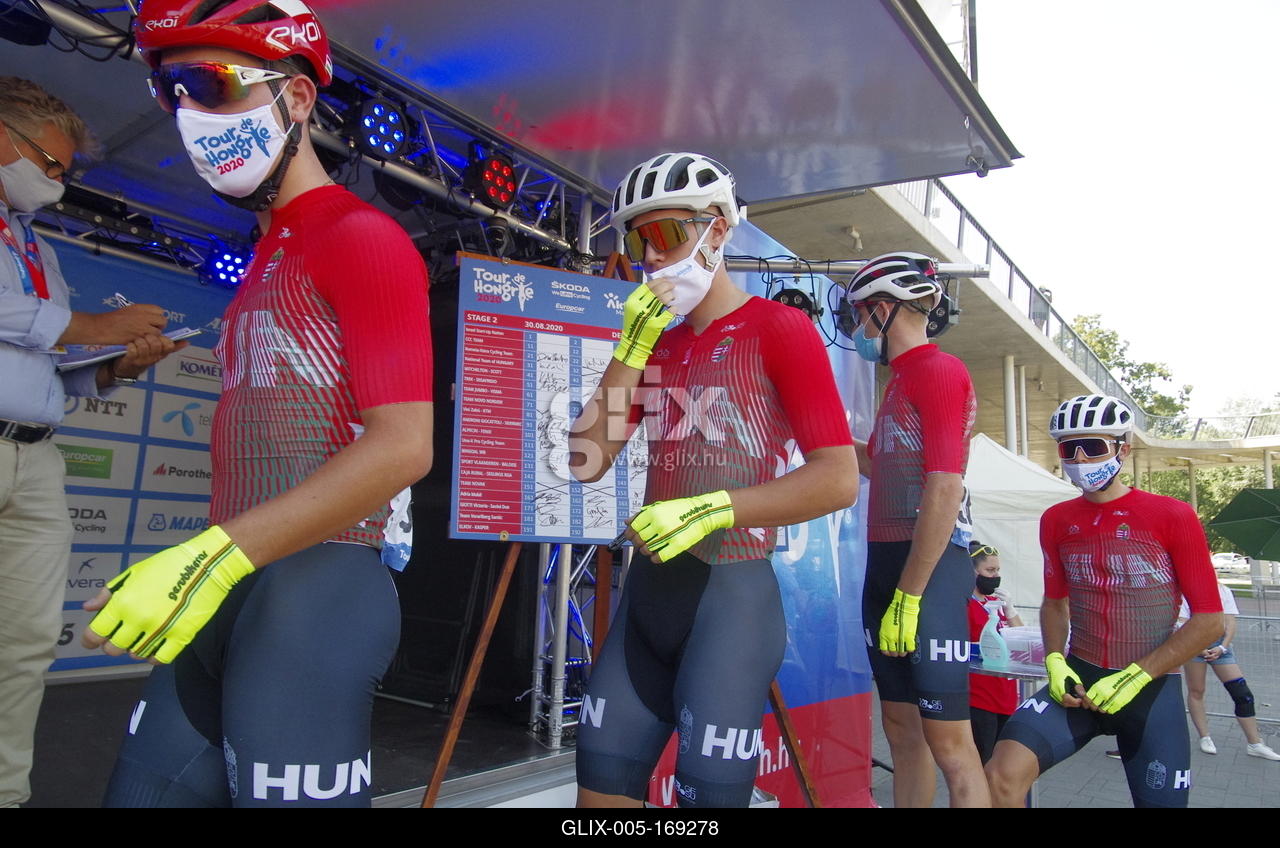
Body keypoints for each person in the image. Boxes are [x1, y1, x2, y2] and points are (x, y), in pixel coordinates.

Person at [81, 1, 435, 807]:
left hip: (317, 588)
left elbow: (404, 445)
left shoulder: (361, 235)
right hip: (230, 578)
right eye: (173, 91)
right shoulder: (268, 254)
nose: (191, 113)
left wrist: (211, 557)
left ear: (298, 98)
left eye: (214, 83)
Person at [568, 152, 858, 808]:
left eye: (664, 233)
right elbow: (586, 459)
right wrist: (630, 349)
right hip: (648, 602)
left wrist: (712, 508)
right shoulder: (659, 346)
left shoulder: (778, 329)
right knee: (599, 797)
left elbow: (837, 478)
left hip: (731, 602)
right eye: (635, 241)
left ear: (718, 230)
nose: (649, 256)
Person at [0, 77, 183, 808]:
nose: (57, 180)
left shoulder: (36, 247)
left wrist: (113, 365)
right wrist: (95, 327)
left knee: (25, 644)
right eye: (49, 163)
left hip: (36, 455)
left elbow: (48, 360)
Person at [985, 395, 1223, 808]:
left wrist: (1136, 676)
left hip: (1150, 690)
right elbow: (1054, 603)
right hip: (1079, 681)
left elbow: (1209, 620)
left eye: (1093, 447)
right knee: (999, 777)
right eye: (1069, 449)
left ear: (1123, 449)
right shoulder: (1056, 519)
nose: (1080, 458)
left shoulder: (1173, 515)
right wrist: (1054, 661)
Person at [850, 251, 988, 807]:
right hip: (887, 564)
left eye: (859, 315)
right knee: (902, 732)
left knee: (950, 744)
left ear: (883, 310)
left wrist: (909, 595)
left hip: (926, 570)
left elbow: (945, 487)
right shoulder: (900, 381)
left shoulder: (939, 370)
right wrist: (825, 436)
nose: (857, 329)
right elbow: (883, 466)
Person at [1179, 582, 1280, 760]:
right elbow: (1182, 622)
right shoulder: (1184, 591)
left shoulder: (1223, 590)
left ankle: (1254, 744)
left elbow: (1230, 622)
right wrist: (1199, 648)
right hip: (1193, 644)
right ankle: (1205, 737)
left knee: (1242, 693)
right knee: (1197, 690)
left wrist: (1223, 647)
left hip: (1220, 646)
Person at [966, 541, 1023, 764]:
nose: (996, 576)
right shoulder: (966, 605)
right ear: (972, 572)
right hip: (981, 697)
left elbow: (1021, 640)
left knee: (1002, 762)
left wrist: (1010, 610)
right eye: (990, 570)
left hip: (1006, 696)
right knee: (983, 760)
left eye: (998, 570)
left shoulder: (994, 602)